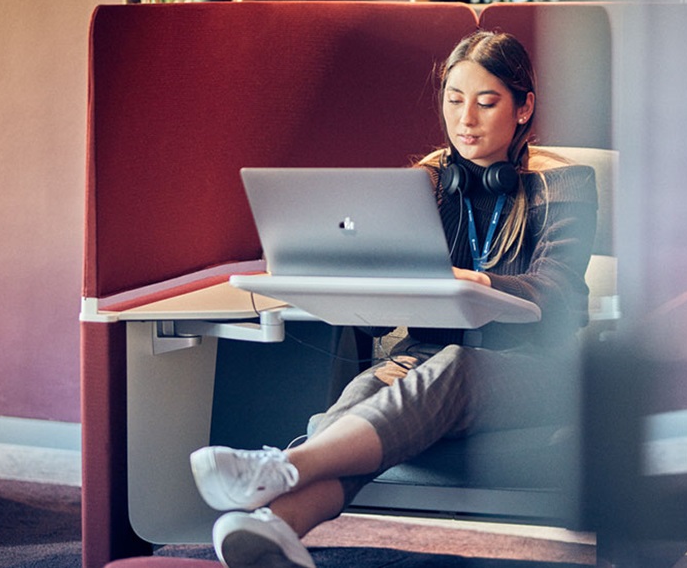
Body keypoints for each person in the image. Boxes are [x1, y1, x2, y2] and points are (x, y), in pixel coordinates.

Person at [189, 30, 598, 568]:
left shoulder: (565, 183)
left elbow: (558, 294)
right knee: (364, 391)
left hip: (540, 369)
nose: (465, 119)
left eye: (486, 101)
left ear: (523, 109)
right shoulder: (427, 182)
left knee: (457, 366)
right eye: (454, 101)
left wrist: (479, 283)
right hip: (425, 358)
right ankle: (274, 527)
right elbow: (394, 287)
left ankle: (282, 467)